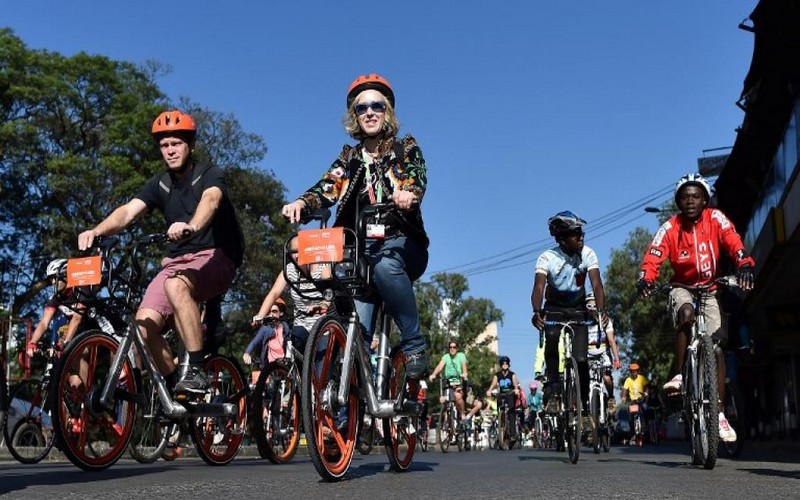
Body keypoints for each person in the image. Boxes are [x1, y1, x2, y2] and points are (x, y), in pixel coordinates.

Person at [78, 110, 244, 393]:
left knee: (177, 286)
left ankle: (195, 369)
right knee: (143, 326)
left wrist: (191, 226)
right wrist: (97, 231)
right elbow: (128, 211)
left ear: (190, 145)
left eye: (176, 143)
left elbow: (212, 200)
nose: (170, 150)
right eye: (165, 145)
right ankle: (174, 389)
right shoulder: (160, 184)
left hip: (217, 256)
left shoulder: (209, 173)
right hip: (176, 262)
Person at [281, 74, 429, 379]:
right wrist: (301, 203)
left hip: (400, 244)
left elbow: (416, 176)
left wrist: (408, 193)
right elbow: (327, 186)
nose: (370, 112)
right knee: (353, 332)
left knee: (386, 268)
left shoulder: (405, 148)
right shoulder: (349, 158)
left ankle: (414, 344)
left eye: (377, 105)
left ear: (387, 111)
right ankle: (348, 405)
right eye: (362, 108)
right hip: (360, 253)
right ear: (355, 117)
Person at [637, 173, 755, 443]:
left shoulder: (716, 218)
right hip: (682, 286)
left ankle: (720, 414)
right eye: (684, 197)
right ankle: (680, 375)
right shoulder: (670, 226)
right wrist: (646, 278)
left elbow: (732, 240)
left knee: (716, 348)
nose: (690, 201)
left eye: (695, 196)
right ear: (678, 202)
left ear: (705, 200)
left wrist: (744, 263)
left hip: (711, 288)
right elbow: (654, 254)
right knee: (686, 313)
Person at [531, 210, 609, 414]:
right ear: (563, 239)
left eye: (582, 233)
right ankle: (555, 392)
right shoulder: (547, 258)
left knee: (581, 359)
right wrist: (537, 311)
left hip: (578, 307)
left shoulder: (588, 254)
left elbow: (597, 284)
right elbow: (539, 287)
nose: (581, 237)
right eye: (576, 234)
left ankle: (583, 401)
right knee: (552, 338)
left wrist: (601, 310)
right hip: (554, 307)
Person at [250, 237, 332, 354]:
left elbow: (329, 291)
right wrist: (260, 315)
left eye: (300, 250)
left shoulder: (322, 265)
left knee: (322, 367)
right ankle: (297, 371)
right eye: (294, 252)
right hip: (302, 323)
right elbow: (274, 293)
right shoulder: (289, 270)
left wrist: (322, 305)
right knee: (294, 347)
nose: (297, 255)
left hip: (324, 326)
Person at [26, 259, 84, 359]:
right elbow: (44, 322)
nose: (53, 282)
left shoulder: (81, 291)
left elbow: (76, 319)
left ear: (66, 276)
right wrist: (32, 342)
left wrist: (64, 345)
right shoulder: (56, 297)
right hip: (76, 330)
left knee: (80, 356)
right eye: (51, 279)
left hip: (96, 326)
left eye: (55, 278)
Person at [585, 292, 622, 410]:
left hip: (603, 353)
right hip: (588, 354)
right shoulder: (583, 321)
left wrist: (617, 359)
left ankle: (610, 397)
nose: (591, 310)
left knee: (606, 378)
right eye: (589, 306)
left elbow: (611, 341)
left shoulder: (606, 321)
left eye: (594, 306)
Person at [243, 298, 290, 368]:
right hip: (271, 366)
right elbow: (254, 342)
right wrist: (247, 353)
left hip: (286, 364)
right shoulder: (266, 328)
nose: (271, 314)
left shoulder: (286, 327)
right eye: (269, 312)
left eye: (274, 311)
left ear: (281, 312)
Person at [428, 339, 469, 420]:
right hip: (448, 382)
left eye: (454, 347)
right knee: (443, 400)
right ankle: (446, 421)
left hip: (459, 381)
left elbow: (464, 367)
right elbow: (440, 367)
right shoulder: (446, 357)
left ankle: (462, 413)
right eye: (450, 347)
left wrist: (464, 374)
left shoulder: (461, 356)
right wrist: (433, 374)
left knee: (457, 396)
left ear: (457, 348)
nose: (452, 349)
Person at [486, 355, 522, 444]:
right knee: (500, 411)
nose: (504, 365)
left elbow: (515, 383)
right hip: (501, 394)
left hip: (510, 394)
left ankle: (513, 434)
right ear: (500, 365)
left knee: (511, 413)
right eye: (503, 363)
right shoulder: (497, 375)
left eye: (506, 363)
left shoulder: (512, 374)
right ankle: (501, 432)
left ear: (509, 365)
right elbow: (494, 383)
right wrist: (490, 390)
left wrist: (516, 389)